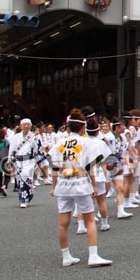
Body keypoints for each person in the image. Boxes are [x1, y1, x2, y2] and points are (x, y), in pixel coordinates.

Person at [52, 109, 111, 268]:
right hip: (81, 183)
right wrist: (93, 184)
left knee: (63, 222)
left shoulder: (60, 143)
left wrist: (53, 186)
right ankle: (93, 255)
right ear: (83, 128)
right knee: (90, 219)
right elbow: (91, 166)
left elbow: (55, 166)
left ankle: (66, 256)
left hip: (63, 184)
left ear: (69, 127)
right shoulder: (86, 142)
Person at [8, 118, 42, 208]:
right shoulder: (15, 137)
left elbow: (37, 150)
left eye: (28, 124)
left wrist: (39, 161)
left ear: (31, 125)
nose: (26, 126)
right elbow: (12, 149)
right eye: (24, 124)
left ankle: (27, 197)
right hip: (18, 161)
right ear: (21, 126)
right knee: (20, 179)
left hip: (29, 161)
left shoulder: (34, 137)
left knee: (26, 177)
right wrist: (9, 160)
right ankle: (23, 199)